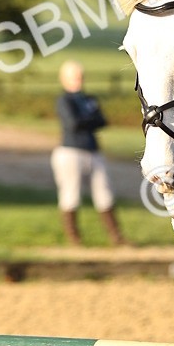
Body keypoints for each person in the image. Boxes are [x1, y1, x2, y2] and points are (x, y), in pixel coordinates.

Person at [51, 60, 127, 246]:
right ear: (64, 79)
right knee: (71, 194)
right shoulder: (64, 100)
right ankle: (74, 238)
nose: (78, 80)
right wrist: (89, 119)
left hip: (92, 151)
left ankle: (116, 236)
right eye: (74, 76)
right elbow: (73, 124)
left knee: (105, 193)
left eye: (80, 76)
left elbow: (102, 120)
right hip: (71, 151)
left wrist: (86, 120)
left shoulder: (88, 98)